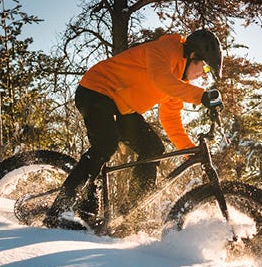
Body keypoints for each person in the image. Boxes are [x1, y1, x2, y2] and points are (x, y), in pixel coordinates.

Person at [43, 28, 224, 229]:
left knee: (153, 149)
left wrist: (189, 153)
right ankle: (58, 212)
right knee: (105, 144)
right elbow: (161, 79)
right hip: (96, 91)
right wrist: (201, 96)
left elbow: (170, 119)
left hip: (121, 106)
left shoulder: (179, 82)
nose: (202, 75)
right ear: (193, 55)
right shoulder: (164, 49)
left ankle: (127, 213)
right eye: (205, 68)